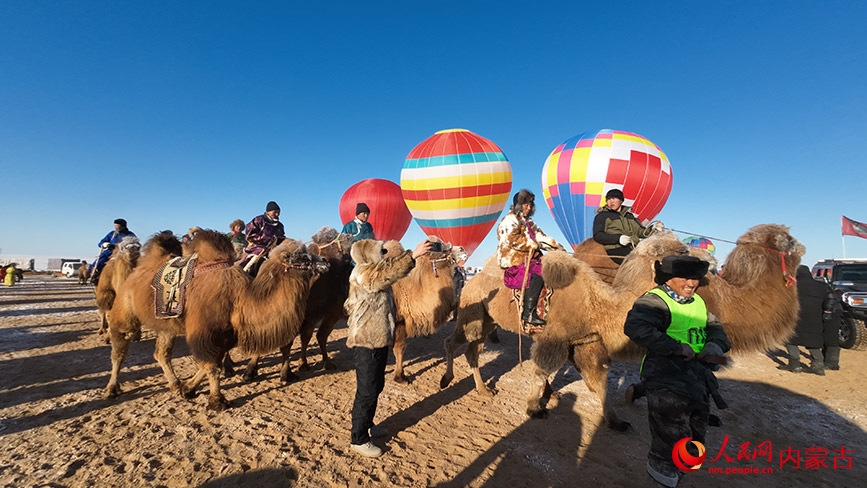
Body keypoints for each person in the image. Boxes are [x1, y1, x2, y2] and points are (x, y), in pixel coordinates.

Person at [623, 255, 731, 487]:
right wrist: (675, 347)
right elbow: (635, 327)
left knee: (695, 436)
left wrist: (715, 345)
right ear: (669, 278)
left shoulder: (698, 302)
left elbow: (714, 327)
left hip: (697, 380)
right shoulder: (654, 301)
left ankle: (676, 476)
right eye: (685, 277)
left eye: (695, 278)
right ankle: (662, 479)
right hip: (666, 378)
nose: (691, 283)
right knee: (671, 441)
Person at [344, 238, 432, 457]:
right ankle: (359, 439)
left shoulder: (371, 272)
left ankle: (368, 425)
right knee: (366, 390)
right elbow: (384, 276)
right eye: (378, 252)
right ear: (368, 255)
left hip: (380, 338)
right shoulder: (363, 272)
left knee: (376, 385)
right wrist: (412, 256)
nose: (382, 254)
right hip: (366, 339)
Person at [497, 189, 564, 326]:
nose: (528, 207)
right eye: (525, 204)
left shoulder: (529, 223)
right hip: (515, 261)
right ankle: (528, 313)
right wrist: (532, 244)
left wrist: (556, 247)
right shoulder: (509, 220)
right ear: (518, 204)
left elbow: (540, 236)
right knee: (539, 274)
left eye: (530, 205)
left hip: (530, 259)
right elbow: (511, 240)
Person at [779, 265, 843, 375]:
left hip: (797, 316)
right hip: (815, 317)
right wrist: (827, 310)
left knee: (790, 339)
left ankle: (794, 365)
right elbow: (831, 297)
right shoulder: (821, 285)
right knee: (813, 340)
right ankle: (818, 366)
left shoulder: (792, 286)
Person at [593, 188, 663, 263]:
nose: (611, 201)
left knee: (658, 259)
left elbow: (640, 232)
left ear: (621, 200)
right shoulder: (602, 216)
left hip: (633, 248)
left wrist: (653, 229)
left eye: (614, 198)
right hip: (614, 250)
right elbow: (598, 235)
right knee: (638, 264)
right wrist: (618, 239)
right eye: (608, 199)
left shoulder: (629, 216)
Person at [241, 201, 286, 271]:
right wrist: (268, 239)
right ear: (268, 212)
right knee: (252, 262)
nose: (277, 214)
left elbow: (282, 237)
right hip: (258, 247)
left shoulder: (280, 225)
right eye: (275, 212)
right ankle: (243, 273)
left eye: (278, 212)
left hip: (275, 249)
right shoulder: (258, 220)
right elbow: (250, 235)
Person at [91, 218, 136, 284]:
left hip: (125, 252)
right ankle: (95, 277)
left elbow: (135, 243)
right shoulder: (112, 234)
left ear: (123, 226)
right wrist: (106, 244)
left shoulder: (130, 234)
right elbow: (100, 243)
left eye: (117, 226)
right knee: (98, 262)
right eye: (115, 226)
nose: (116, 227)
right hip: (110, 252)